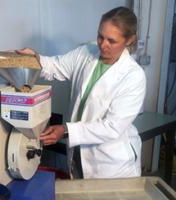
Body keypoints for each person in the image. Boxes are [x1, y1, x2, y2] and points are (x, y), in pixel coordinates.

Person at [15, 6, 146, 179]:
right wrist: (34, 58)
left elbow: (112, 127)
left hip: (111, 163)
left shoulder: (133, 76)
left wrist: (66, 129)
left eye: (111, 41)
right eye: (100, 36)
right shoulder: (87, 52)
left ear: (129, 40)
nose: (103, 44)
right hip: (77, 154)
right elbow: (56, 66)